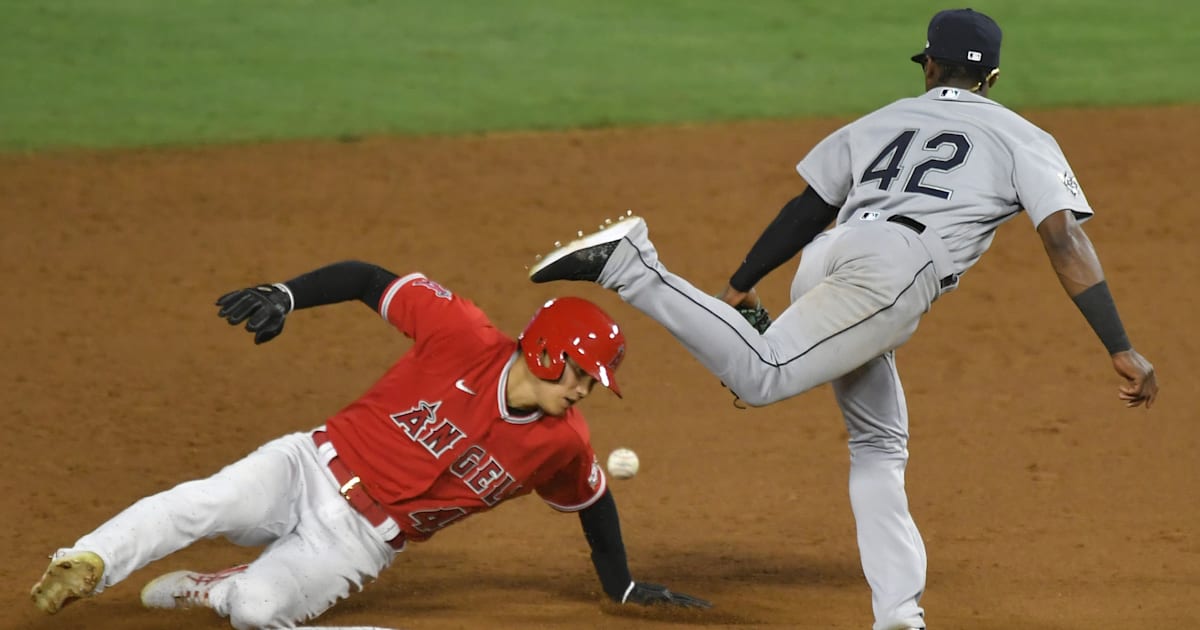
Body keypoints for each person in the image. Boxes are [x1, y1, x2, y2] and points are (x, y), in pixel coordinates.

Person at [526, 8, 1158, 630]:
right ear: (993, 78)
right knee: (762, 375)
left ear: (930, 65)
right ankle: (632, 266)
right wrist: (1120, 346)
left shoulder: (881, 120)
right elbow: (1063, 238)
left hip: (829, 253)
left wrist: (743, 283)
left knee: (879, 442)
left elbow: (810, 208)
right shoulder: (1024, 136)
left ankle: (899, 616)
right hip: (894, 270)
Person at [29, 260, 710, 629]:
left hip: (358, 544)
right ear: (546, 351)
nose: (589, 390)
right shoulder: (460, 335)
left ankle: (215, 591)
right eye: (584, 374)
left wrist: (619, 587)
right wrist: (285, 296)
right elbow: (364, 278)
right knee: (198, 504)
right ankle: (86, 559)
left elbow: (593, 499)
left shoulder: (561, 443)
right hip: (305, 467)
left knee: (257, 612)